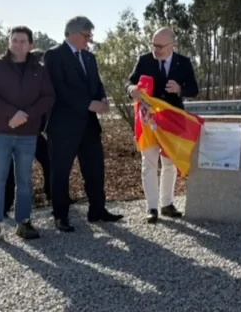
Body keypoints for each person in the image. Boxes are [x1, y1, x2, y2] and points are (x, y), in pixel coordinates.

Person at [0, 26, 55, 244]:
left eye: (23, 41)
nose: (18, 44)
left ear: (30, 44)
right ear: (8, 42)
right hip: (0, 131)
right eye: (15, 40)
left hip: (28, 134)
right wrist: (12, 113)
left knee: (25, 179)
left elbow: (48, 97)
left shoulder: (39, 69)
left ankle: (24, 221)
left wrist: (26, 115)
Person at [45, 16, 123, 232]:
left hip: (89, 125)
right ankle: (61, 216)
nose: (88, 41)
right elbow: (59, 88)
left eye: (90, 36)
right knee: (60, 172)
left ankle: (97, 210)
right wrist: (88, 104)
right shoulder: (54, 55)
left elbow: (96, 83)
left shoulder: (89, 57)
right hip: (63, 126)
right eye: (86, 36)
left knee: (95, 169)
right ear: (73, 33)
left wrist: (103, 98)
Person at [127, 27, 199, 223]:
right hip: (148, 120)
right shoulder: (144, 60)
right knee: (148, 164)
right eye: (153, 45)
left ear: (171, 45)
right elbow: (130, 82)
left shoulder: (183, 62)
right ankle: (152, 208)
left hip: (172, 121)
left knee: (169, 164)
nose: (156, 50)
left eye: (160, 46)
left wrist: (179, 89)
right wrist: (132, 88)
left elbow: (194, 89)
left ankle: (167, 204)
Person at [3, 49, 75, 216]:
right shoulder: (22, 81)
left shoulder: (45, 81)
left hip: (35, 134)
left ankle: (53, 196)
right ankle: (5, 206)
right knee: (13, 170)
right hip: (16, 134)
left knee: (50, 163)